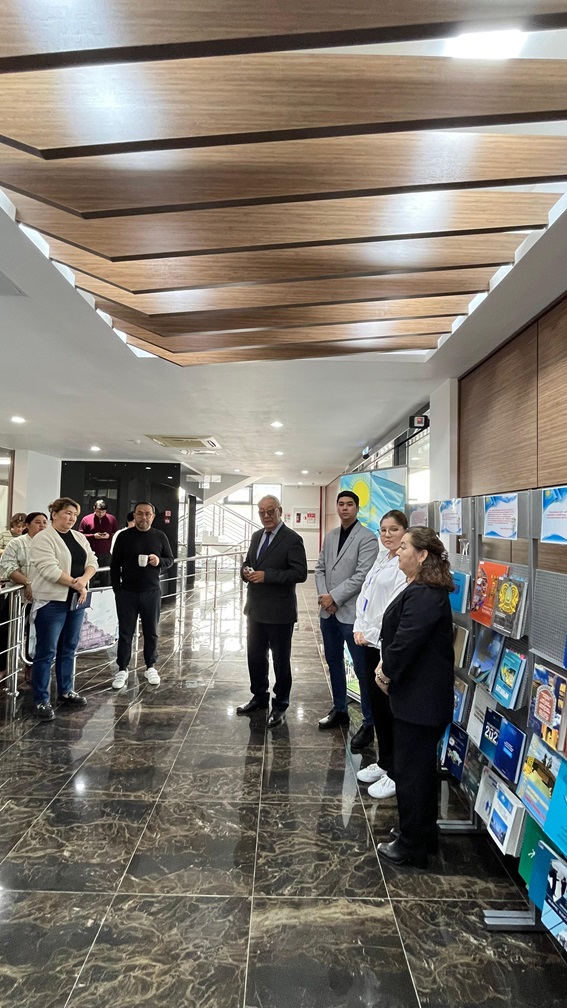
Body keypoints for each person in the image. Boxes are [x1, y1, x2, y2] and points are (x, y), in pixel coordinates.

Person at [374, 526, 455, 869]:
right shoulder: (422, 589)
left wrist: (385, 672)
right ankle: (421, 833)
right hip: (420, 699)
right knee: (418, 771)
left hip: (421, 702)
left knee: (411, 773)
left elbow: (406, 642)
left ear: (422, 555)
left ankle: (411, 847)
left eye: (404, 546)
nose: (398, 551)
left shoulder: (425, 594)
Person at [315, 490, 379, 749]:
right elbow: (320, 568)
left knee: (362, 670)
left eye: (349, 504)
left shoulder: (368, 538)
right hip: (328, 612)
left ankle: (369, 722)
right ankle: (339, 709)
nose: (344, 508)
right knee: (333, 662)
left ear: (357, 508)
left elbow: (362, 575)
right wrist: (325, 598)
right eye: (340, 504)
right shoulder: (330, 536)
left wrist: (335, 597)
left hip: (352, 613)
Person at [236, 495, 307, 728]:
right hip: (255, 609)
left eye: (270, 511)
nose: (266, 516)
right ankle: (259, 696)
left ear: (280, 511)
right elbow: (248, 562)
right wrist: (245, 571)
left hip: (279, 612)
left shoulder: (292, 539)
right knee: (255, 657)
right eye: (261, 512)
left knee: (280, 661)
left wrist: (267, 576)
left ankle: (280, 704)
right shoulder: (257, 536)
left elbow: (300, 573)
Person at [353, 510, 408, 797]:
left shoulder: (404, 564)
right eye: (383, 530)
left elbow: (392, 608)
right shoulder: (382, 558)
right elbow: (366, 596)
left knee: (390, 708)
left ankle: (397, 770)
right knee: (376, 705)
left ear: (405, 532)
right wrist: (359, 626)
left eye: (393, 529)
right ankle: (385, 761)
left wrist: (370, 632)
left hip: (383, 643)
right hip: (367, 641)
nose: (387, 535)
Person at [29, 498, 98, 720]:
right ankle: (41, 700)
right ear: (55, 513)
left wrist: (83, 581)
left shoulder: (78, 537)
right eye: (68, 513)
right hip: (52, 602)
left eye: (75, 515)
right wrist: (77, 584)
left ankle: (66, 691)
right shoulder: (43, 538)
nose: (72, 518)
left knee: (69, 647)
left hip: (76, 600)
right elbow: (49, 569)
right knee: (46, 651)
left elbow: (92, 561)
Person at [110, 501, 174, 689]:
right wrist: (117, 589)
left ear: (153, 516)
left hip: (151, 592)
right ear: (134, 515)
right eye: (140, 513)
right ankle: (122, 668)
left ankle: (150, 666)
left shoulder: (160, 536)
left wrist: (158, 561)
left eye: (147, 514)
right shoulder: (123, 536)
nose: (143, 517)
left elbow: (170, 560)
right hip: (127, 593)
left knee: (151, 631)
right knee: (125, 632)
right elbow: (115, 565)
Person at [0, 511, 48, 598]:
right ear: (27, 525)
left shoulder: (50, 543)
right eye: (38, 522)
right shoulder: (16, 543)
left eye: (45, 522)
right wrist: (27, 582)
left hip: (45, 595)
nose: (42, 525)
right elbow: (7, 566)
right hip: (19, 596)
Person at [79, 499, 118, 585]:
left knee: (105, 576)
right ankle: (88, 591)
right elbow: (80, 535)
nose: (100, 514)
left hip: (106, 552)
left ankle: (106, 592)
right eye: (98, 511)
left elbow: (116, 534)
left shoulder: (112, 519)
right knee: (90, 575)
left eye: (103, 512)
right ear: (94, 509)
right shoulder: (86, 519)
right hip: (91, 552)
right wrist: (93, 536)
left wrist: (109, 536)